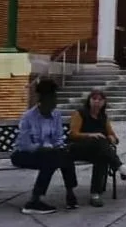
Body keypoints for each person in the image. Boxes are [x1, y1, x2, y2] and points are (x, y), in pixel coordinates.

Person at [11, 78, 79, 214]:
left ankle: (69, 191)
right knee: (51, 158)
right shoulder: (28, 117)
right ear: (43, 99)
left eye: (55, 97)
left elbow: (59, 138)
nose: (55, 102)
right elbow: (25, 144)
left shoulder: (56, 115)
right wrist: (43, 149)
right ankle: (34, 201)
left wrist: (59, 146)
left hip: (50, 154)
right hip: (23, 154)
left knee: (63, 154)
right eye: (52, 98)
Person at [69, 89, 126, 207]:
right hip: (78, 148)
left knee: (101, 156)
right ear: (89, 100)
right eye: (94, 99)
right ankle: (122, 169)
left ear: (104, 102)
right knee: (99, 141)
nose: (97, 102)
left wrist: (112, 137)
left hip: (96, 151)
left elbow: (113, 136)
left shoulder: (103, 117)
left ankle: (95, 194)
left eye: (100, 100)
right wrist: (90, 135)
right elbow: (73, 134)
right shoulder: (80, 113)